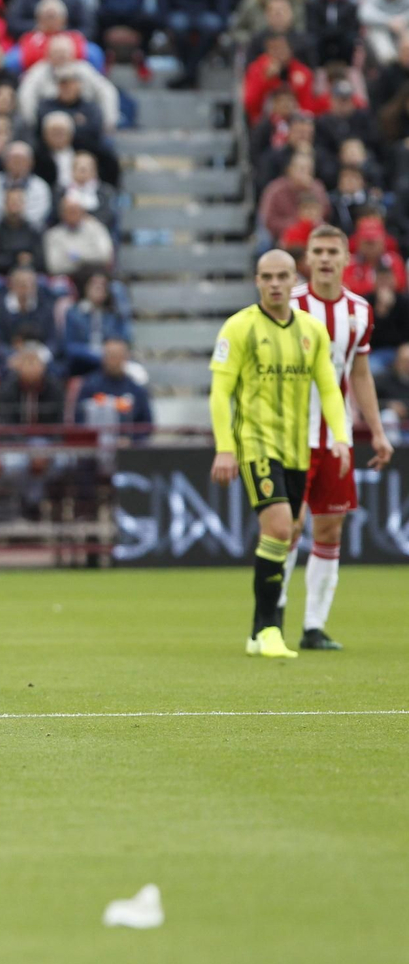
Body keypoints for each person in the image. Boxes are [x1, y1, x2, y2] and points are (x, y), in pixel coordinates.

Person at [209, 250, 352, 659]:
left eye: (282, 276)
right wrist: (225, 448)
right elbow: (220, 392)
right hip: (256, 444)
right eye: (267, 276)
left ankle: (257, 631)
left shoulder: (311, 330)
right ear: (256, 281)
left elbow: (329, 386)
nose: (274, 284)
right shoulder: (238, 328)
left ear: (295, 280)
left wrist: (340, 437)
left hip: (298, 449)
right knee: (277, 527)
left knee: (287, 532)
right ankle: (271, 629)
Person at [275, 227, 395, 650]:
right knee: (288, 527)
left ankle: (313, 627)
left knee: (329, 529)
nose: (325, 259)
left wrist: (376, 432)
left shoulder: (360, 311)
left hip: (335, 438)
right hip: (289, 437)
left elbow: (359, 374)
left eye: (332, 252)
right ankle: (273, 615)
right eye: (318, 251)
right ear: (307, 258)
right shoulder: (289, 305)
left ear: (346, 258)